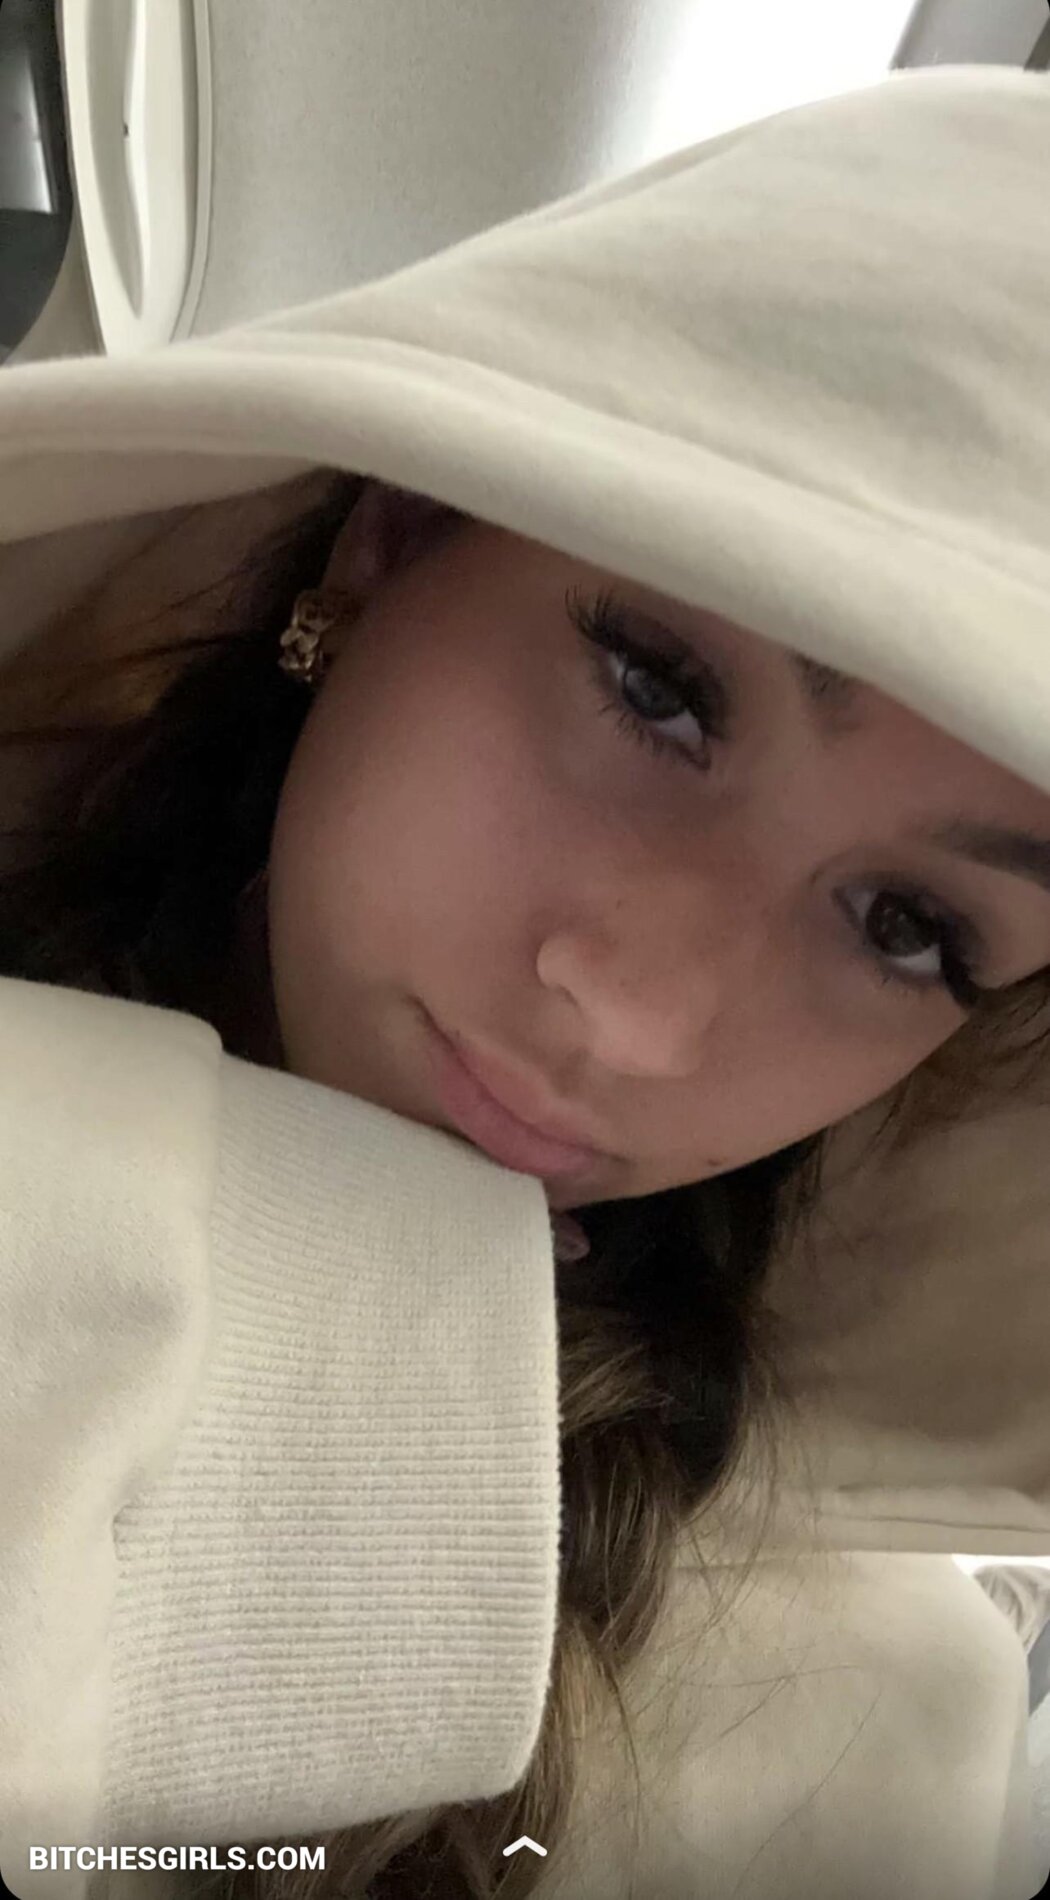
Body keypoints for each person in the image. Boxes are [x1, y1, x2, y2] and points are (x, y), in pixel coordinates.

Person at [1, 58, 1049, 1900]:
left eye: (906, 928)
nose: (634, 1019)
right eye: (658, 690)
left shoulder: (839, 1720)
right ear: (396, 533)